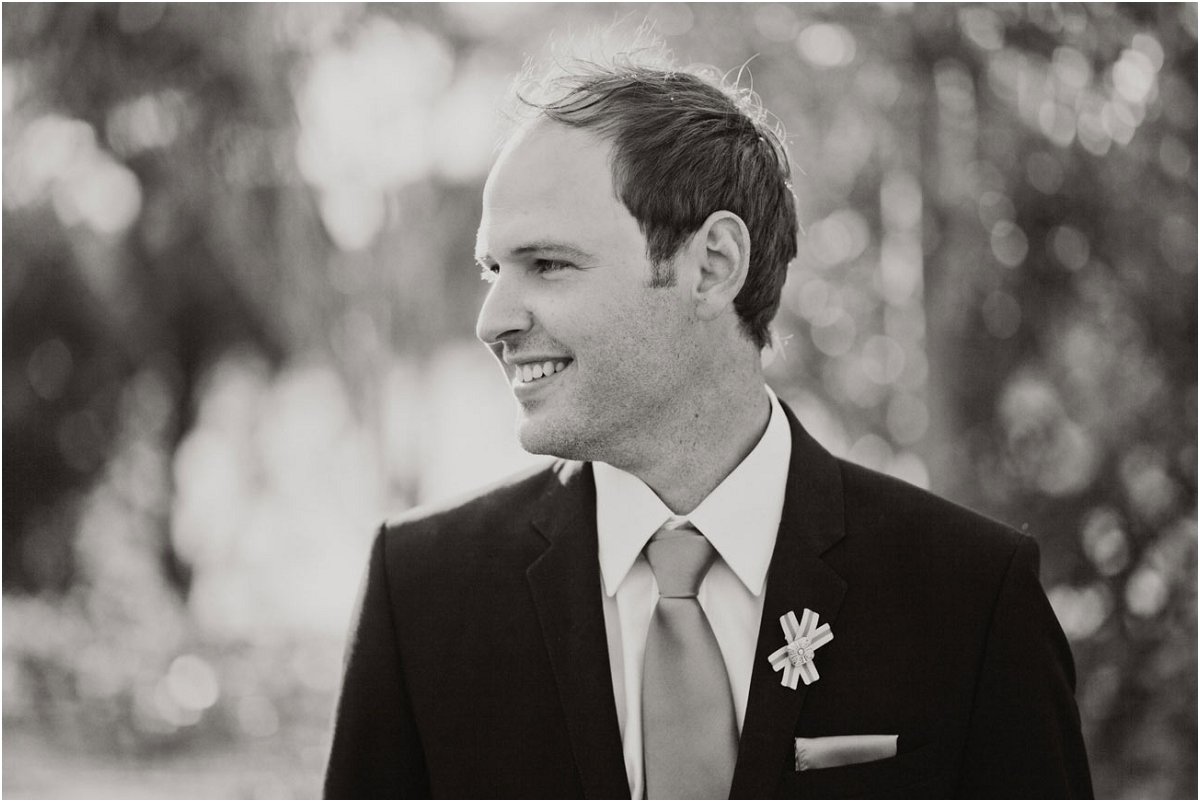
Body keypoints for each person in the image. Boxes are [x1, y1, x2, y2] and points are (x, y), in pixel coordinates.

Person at [323, 53, 1093, 799]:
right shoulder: (420, 595)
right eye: (494, 269)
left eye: (548, 264)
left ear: (713, 264)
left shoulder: (971, 597)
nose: (492, 320)